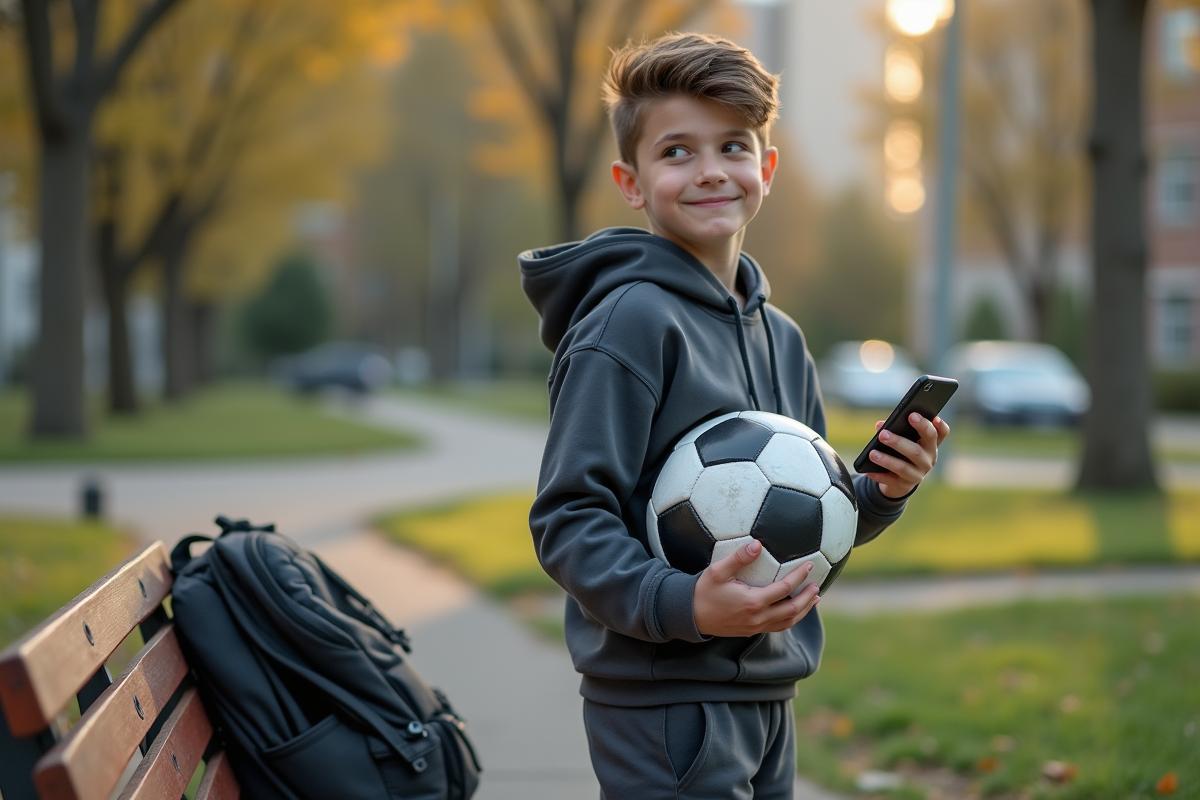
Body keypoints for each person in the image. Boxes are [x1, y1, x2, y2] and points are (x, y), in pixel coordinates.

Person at [519, 32, 950, 799]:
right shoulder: (628, 325)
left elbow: (809, 515)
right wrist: (685, 603)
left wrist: (880, 493)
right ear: (632, 180)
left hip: (770, 690)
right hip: (663, 700)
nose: (712, 170)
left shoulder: (780, 336)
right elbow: (568, 518)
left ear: (767, 168)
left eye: (733, 146)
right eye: (677, 152)